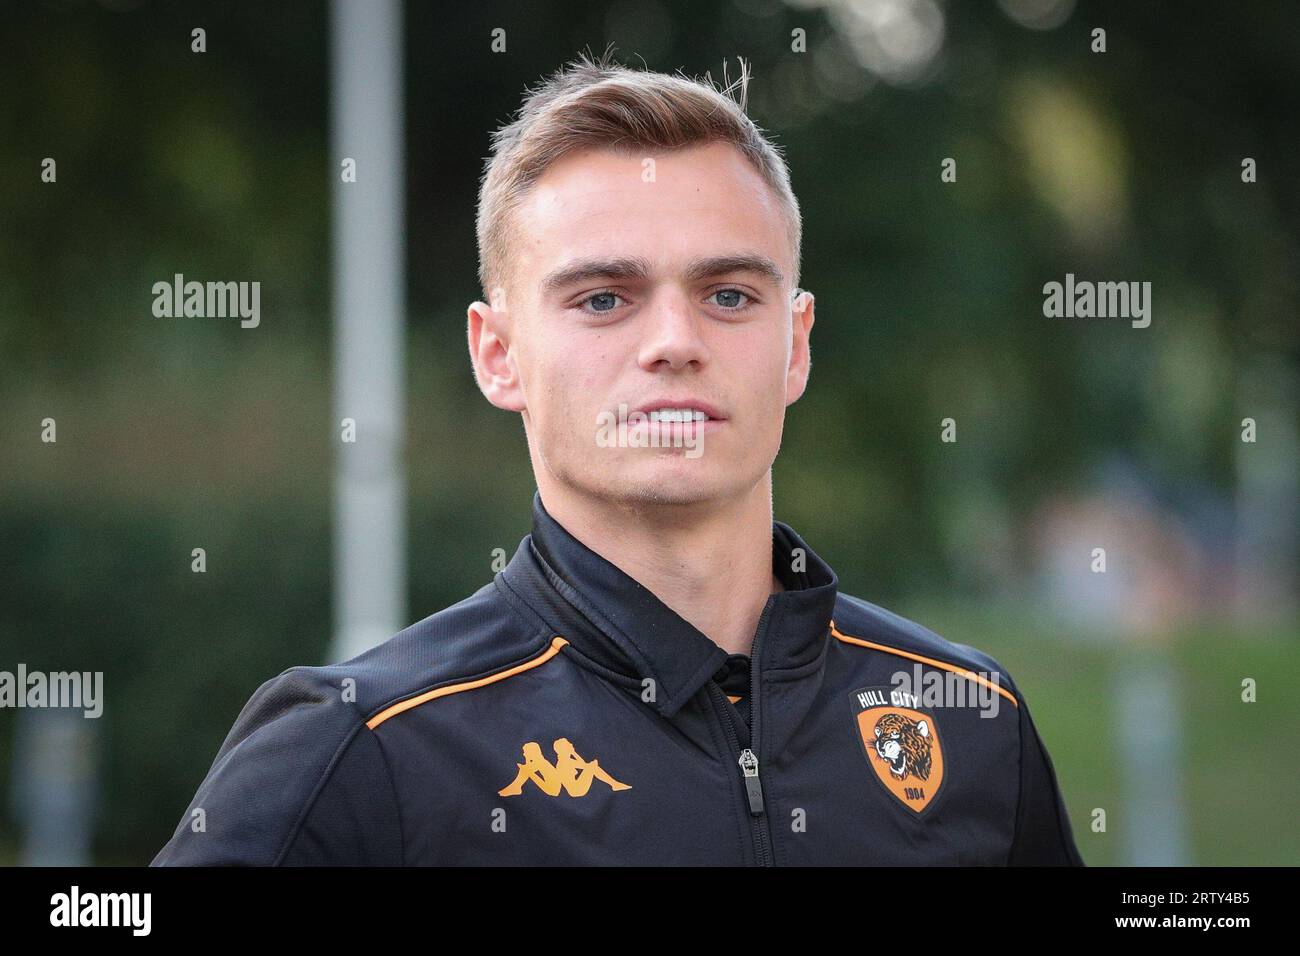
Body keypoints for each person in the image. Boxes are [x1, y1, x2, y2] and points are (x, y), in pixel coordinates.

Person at [152, 49, 1084, 866]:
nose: (674, 341)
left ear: (796, 344)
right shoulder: (363, 744)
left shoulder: (969, 720)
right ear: (498, 354)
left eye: (728, 295)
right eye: (603, 299)